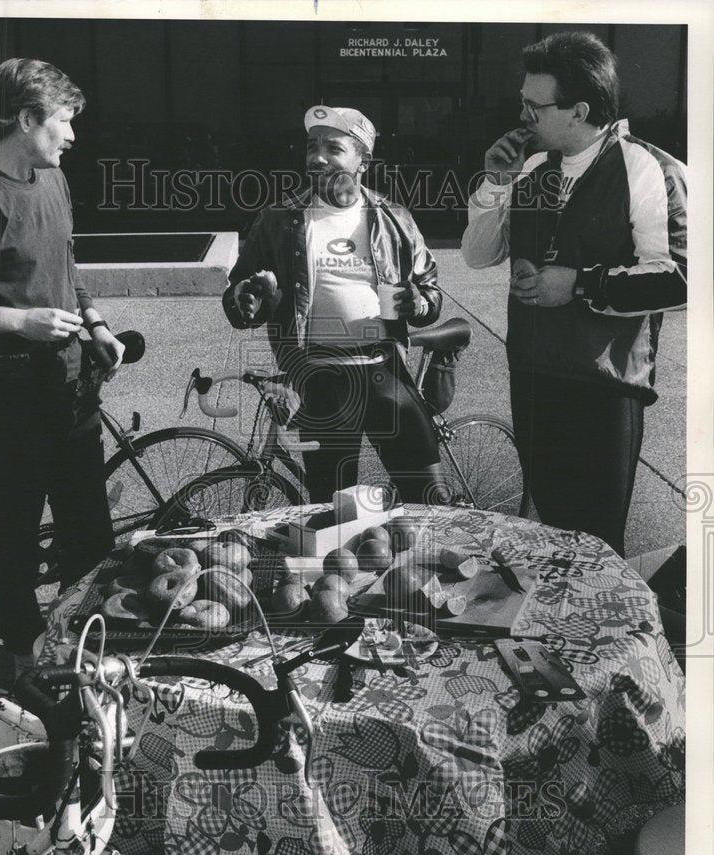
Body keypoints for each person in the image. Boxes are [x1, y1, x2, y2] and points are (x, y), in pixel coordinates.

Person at [462, 31, 687, 556]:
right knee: (553, 537)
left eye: (533, 105)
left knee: (598, 547)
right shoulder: (535, 171)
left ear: (579, 109)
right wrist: (496, 182)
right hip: (535, 374)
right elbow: (477, 255)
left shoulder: (649, 169)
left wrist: (582, 284)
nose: (522, 116)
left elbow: (681, 277)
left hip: (604, 386)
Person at [0, 58, 124, 675]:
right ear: (25, 120)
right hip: (6, 395)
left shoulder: (54, 180)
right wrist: (18, 322)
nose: (73, 135)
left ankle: (85, 656)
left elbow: (66, 268)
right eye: (64, 122)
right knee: (16, 541)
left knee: (90, 538)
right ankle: (24, 667)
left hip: (72, 387)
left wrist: (95, 322)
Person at [222, 105, 446, 504]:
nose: (317, 156)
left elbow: (429, 291)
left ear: (363, 160)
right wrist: (245, 300)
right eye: (312, 146)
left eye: (333, 147)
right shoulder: (279, 218)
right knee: (336, 511)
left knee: (430, 498)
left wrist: (419, 304)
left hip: (384, 371)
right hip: (319, 381)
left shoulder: (392, 218)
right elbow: (239, 292)